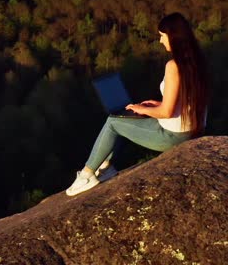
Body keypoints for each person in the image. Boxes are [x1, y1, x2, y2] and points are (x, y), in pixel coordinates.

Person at [66, 12, 211, 196]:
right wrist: (155, 104)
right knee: (126, 120)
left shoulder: (174, 66)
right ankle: (105, 168)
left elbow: (166, 112)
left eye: (162, 36)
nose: (160, 41)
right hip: (193, 130)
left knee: (113, 122)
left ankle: (86, 175)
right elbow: (186, 100)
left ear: (173, 37)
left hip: (174, 136)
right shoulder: (197, 61)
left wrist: (143, 109)